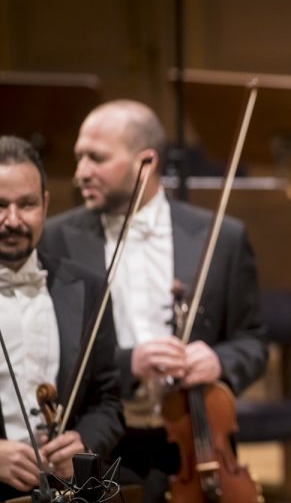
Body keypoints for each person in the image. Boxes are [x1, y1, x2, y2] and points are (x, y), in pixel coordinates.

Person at [39, 101, 267, 502]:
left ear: (146, 161)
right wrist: (130, 363)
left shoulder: (222, 237)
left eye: (96, 158)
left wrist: (219, 362)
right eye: (78, 158)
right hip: (105, 445)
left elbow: (253, 341)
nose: (80, 173)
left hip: (200, 440)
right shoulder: (56, 240)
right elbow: (51, 354)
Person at [0, 136, 123, 499]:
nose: (13, 220)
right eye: (0, 205)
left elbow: (108, 401)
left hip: (67, 491)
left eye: (27, 204)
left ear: (45, 204)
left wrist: (84, 445)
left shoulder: (87, 287)